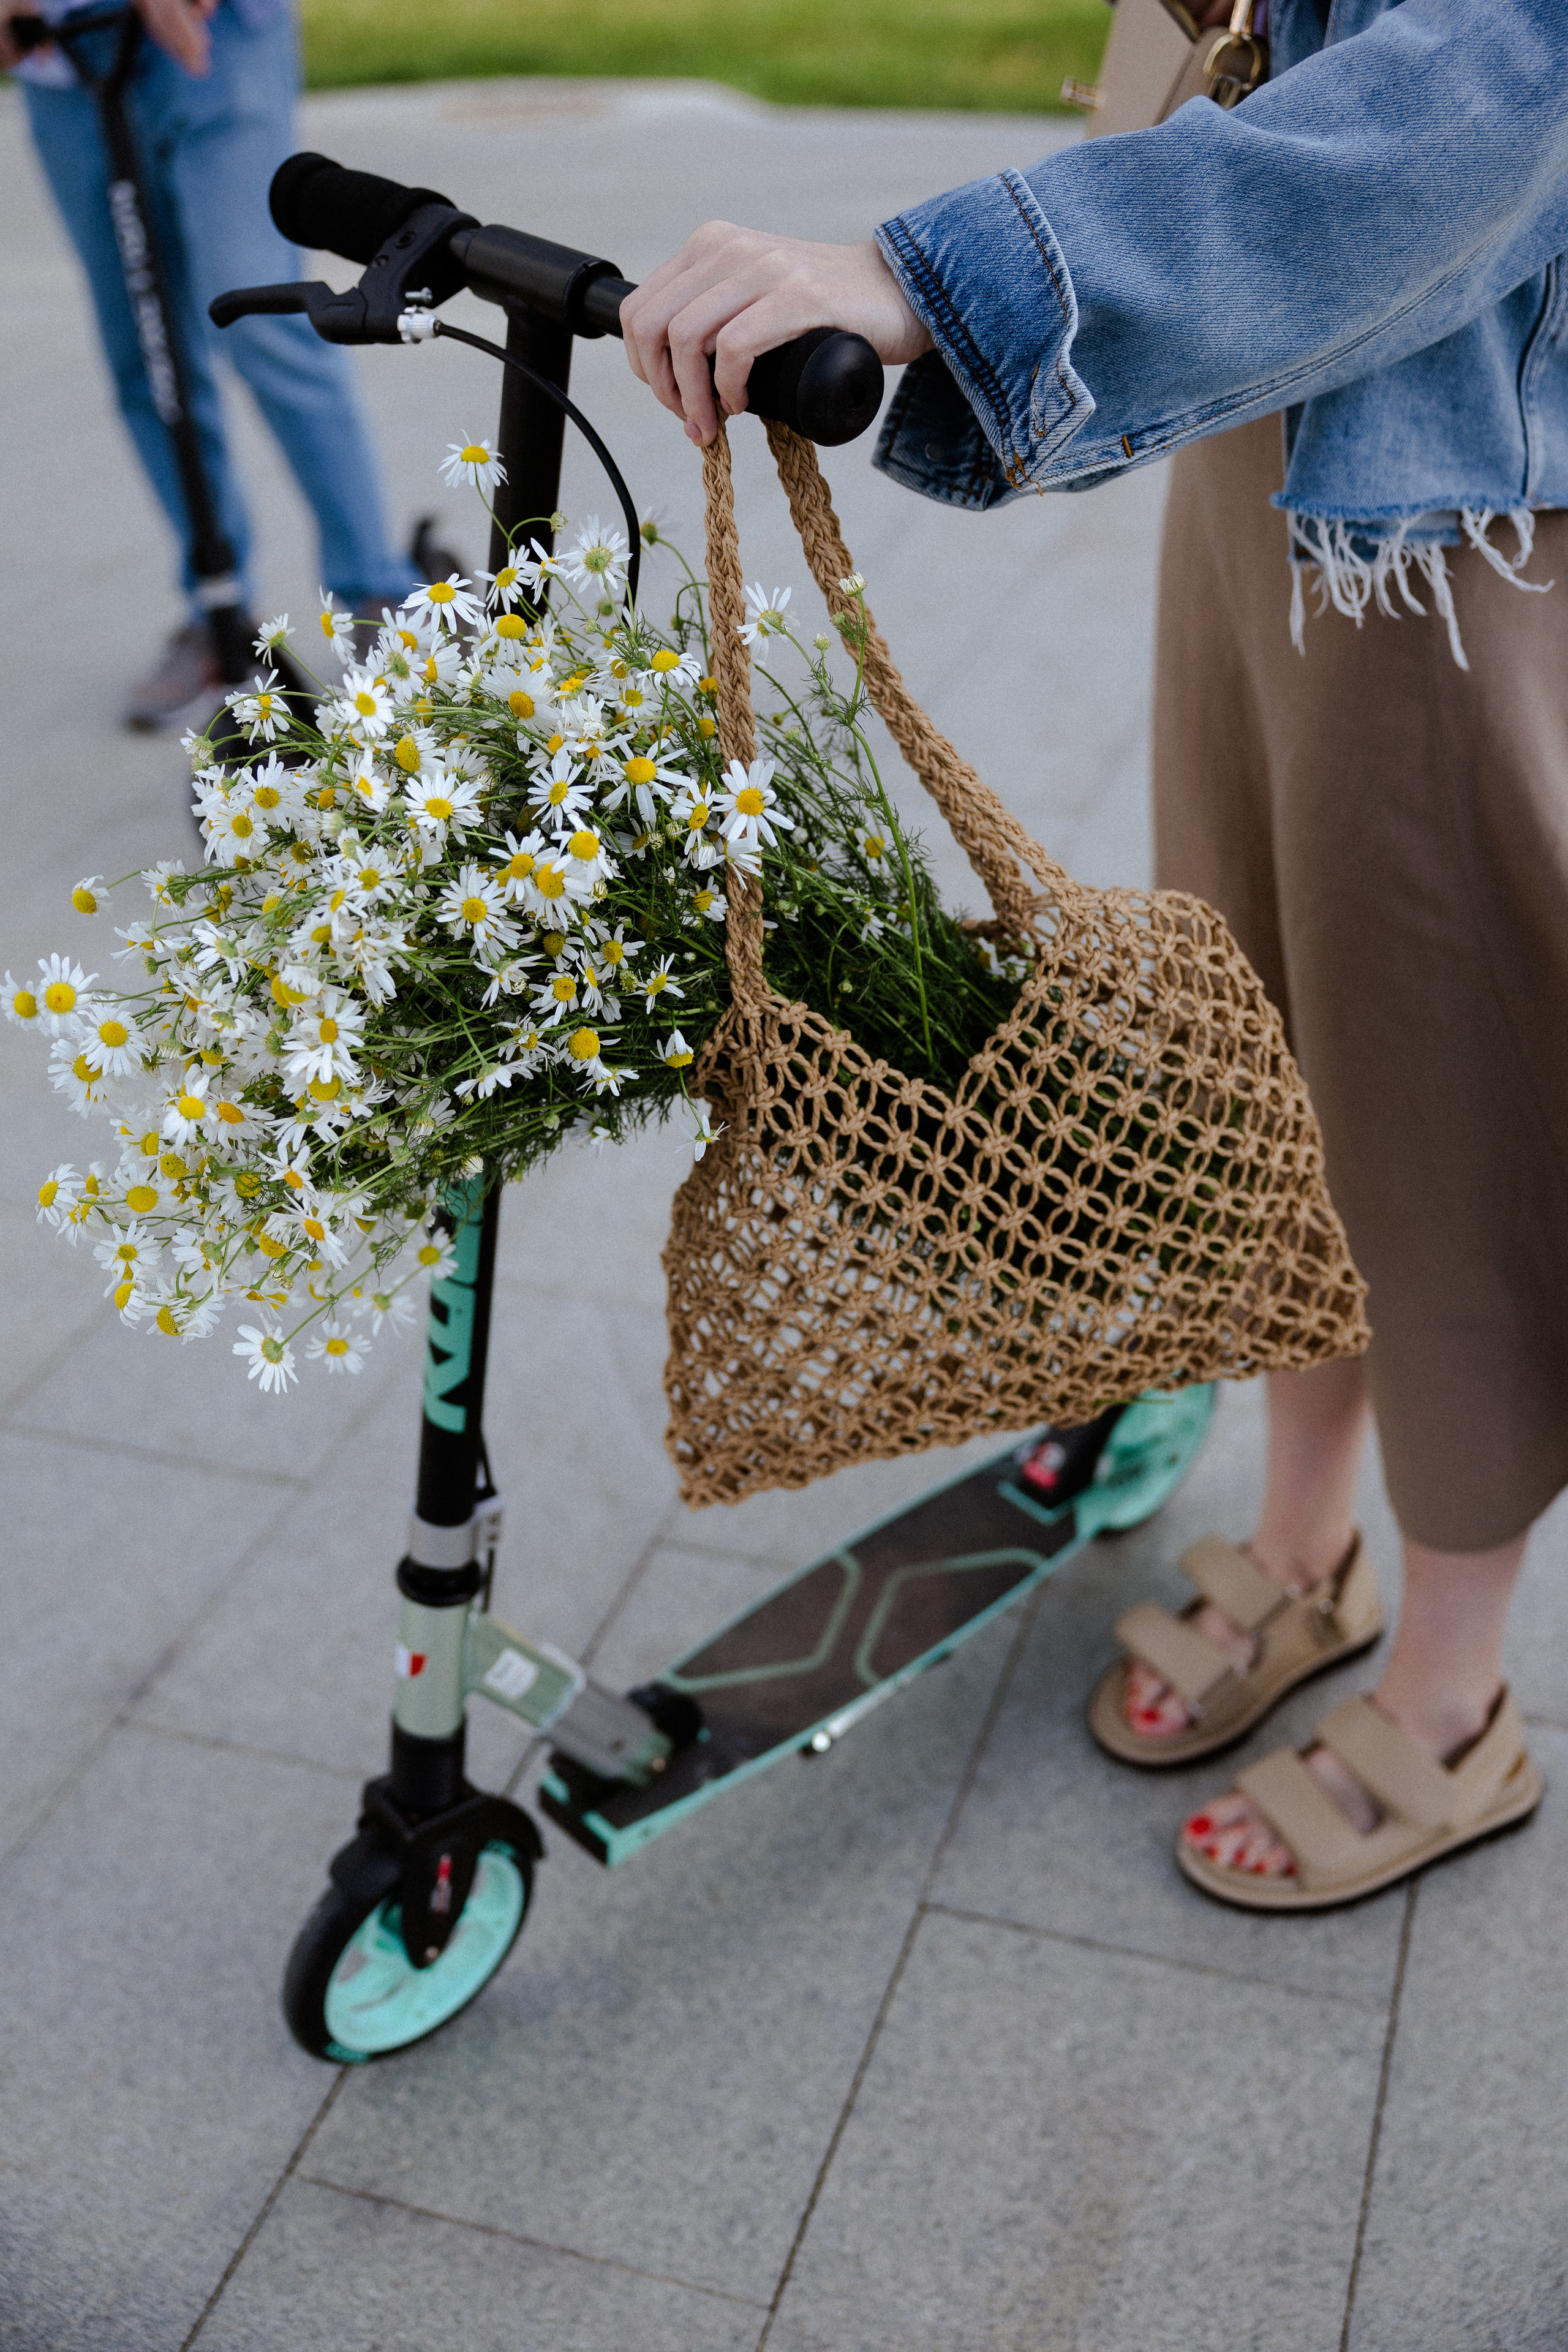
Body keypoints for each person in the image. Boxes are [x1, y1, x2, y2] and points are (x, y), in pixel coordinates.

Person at [620, 0, 1568, 1911]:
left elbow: (1501, 80)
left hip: (1457, 469)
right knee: (1259, 1014)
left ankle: (1456, 1689)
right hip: (1277, 416)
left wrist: (947, 279)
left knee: (1437, 1077)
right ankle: (1304, 1540)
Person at [5, 0, 421, 729]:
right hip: (59, 55)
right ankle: (217, 609)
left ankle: (377, 590)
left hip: (214, 36)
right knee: (146, 348)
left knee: (264, 322)